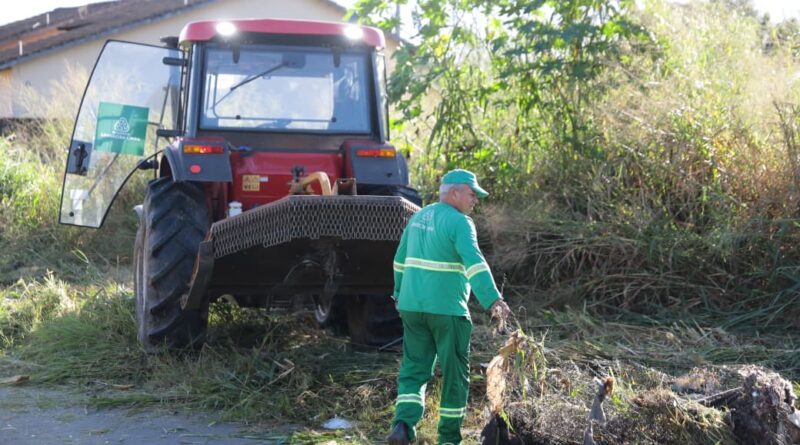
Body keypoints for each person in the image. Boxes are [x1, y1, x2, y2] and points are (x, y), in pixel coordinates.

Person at [387, 169, 512, 445]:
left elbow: (399, 261)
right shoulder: (460, 222)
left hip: (412, 307)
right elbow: (475, 262)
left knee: (414, 370)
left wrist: (398, 293)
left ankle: (403, 425)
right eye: (472, 194)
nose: (475, 200)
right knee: (455, 375)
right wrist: (493, 299)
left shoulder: (418, 217)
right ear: (454, 193)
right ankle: (448, 439)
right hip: (447, 310)